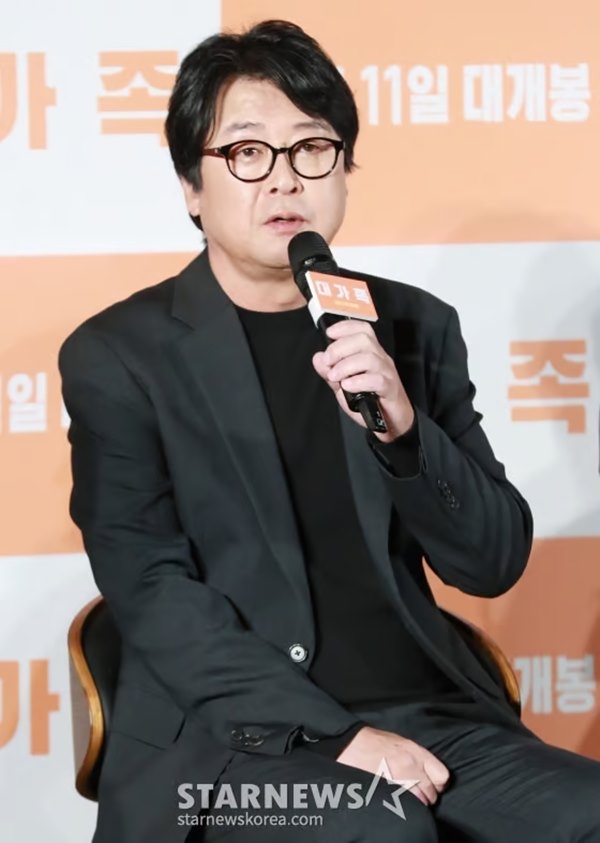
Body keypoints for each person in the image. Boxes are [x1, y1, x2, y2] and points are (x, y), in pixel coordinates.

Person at [59, 19, 600, 843]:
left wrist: (406, 432)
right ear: (192, 186)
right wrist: (339, 736)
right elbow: (153, 592)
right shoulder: (121, 355)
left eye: (312, 148)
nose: (284, 179)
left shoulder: (410, 326)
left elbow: (492, 562)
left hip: (430, 716)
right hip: (228, 749)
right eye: (247, 152)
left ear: (344, 168)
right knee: (383, 827)